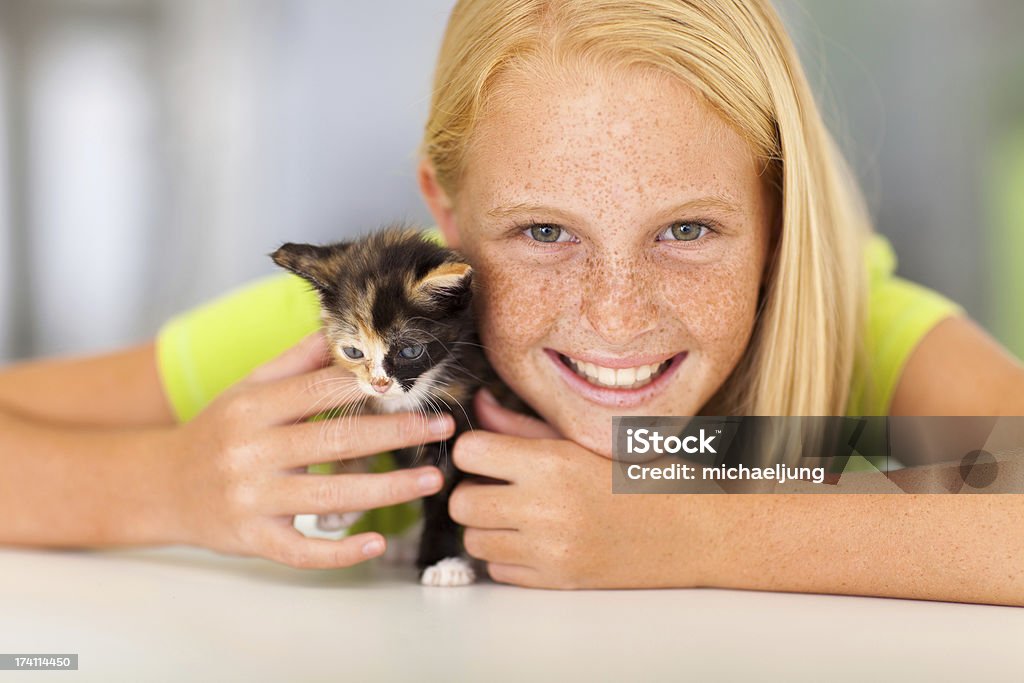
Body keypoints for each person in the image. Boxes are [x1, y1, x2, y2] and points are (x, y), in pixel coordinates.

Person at [2, 0, 1022, 604]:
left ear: (775, 220)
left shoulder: (842, 318)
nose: (616, 314)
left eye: (687, 230)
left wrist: (687, 527)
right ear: (443, 210)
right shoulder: (382, 340)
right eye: (543, 232)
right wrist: (164, 484)